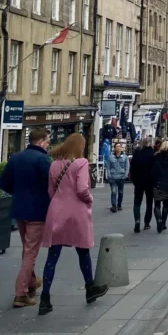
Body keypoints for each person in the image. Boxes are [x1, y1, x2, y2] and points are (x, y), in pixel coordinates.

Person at [38, 133, 107, 315]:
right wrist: (89, 199)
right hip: (76, 212)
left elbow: (50, 191)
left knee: (52, 256)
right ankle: (90, 288)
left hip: (57, 211)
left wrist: (59, 202)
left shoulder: (54, 164)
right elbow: (82, 188)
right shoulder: (81, 163)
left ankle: (45, 298)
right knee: (83, 251)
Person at [0, 126, 52, 308]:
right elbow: (52, 185)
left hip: (19, 210)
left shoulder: (16, 158)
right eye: (47, 142)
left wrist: (19, 193)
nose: (47, 145)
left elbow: (4, 182)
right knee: (30, 253)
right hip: (37, 211)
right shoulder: (43, 160)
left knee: (26, 250)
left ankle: (31, 283)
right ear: (40, 142)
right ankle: (21, 293)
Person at [129, 136, 155, 233]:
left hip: (139, 182)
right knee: (149, 202)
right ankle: (147, 223)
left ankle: (137, 221)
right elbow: (154, 169)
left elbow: (132, 168)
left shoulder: (137, 153)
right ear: (150, 143)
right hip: (149, 182)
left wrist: (134, 180)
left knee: (137, 202)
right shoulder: (152, 154)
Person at [151, 140, 168, 232]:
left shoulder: (156, 156)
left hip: (158, 182)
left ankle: (158, 219)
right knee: (166, 204)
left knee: (157, 204)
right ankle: (163, 223)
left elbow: (153, 170)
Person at [105, 139, 129, 213]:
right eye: (117, 147)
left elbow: (127, 166)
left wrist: (125, 175)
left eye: (119, 147)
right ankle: (114, 206)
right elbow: (108, 167)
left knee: (121, 192)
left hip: (121, 177)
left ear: (121, 148)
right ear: (115, 148)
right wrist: (109, 176)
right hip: (113, 177)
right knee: (114, 192)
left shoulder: (125, 157)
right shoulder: (110, 157)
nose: (118, 148)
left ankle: (119, 204)